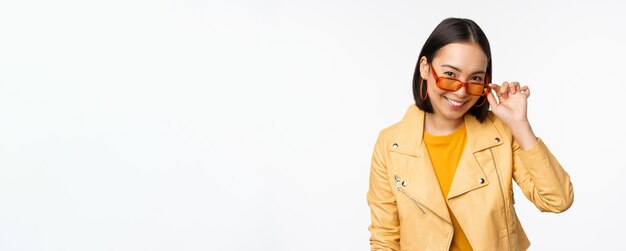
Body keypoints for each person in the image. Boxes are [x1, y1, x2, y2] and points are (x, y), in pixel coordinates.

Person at [366, 17, 574, 251]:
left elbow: (557, 200)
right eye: (450, 75)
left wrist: (520, 125)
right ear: (425, 67)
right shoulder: (391, 143)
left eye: (475, 78)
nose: (463, 91)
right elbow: (385, 237)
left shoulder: (500, 133)